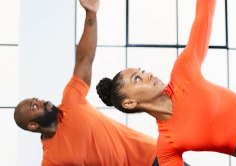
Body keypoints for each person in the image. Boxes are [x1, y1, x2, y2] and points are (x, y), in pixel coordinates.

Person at [96, 0, 236, 165]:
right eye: (137, 79)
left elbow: (204, 14)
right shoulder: (167, 145)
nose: (148, 74)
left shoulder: (183, 73)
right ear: (129, 102)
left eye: (142, 71)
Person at [13, 0, 161, 165]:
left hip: (153, 157)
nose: (41, 102)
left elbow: (84, 59)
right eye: (35, 106)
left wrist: (91, 13)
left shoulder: (71, 101)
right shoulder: (52, 160)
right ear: (33, 125)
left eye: (36, 100)